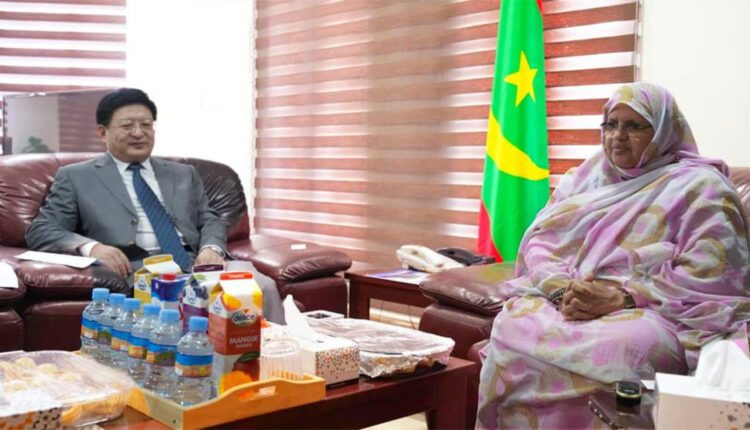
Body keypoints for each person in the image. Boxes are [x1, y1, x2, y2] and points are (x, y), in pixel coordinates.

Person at [476, 82, 750, 429]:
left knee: (625, 347)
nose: (618, 136)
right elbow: (542, 241)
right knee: (513, 324)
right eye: (611, 124)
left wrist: (624, 297)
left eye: (634, 126)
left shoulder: (702, 188)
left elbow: (715, 273)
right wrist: (563, 291)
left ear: (663, 131)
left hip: (652, 308)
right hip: (571, 297)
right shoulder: (587, 177)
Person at [25, 88, 285, 323]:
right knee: (184, 304)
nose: (138, 133)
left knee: (262, 286)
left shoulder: (183, 173)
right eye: (127, 125)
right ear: (102, 132)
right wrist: (92, 247)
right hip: (141, 270)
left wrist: (211, 248)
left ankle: (279, 354)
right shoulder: (77, 176)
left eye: (146, 125)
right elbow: (41, 230)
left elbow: (210, 218)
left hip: (197, 265)